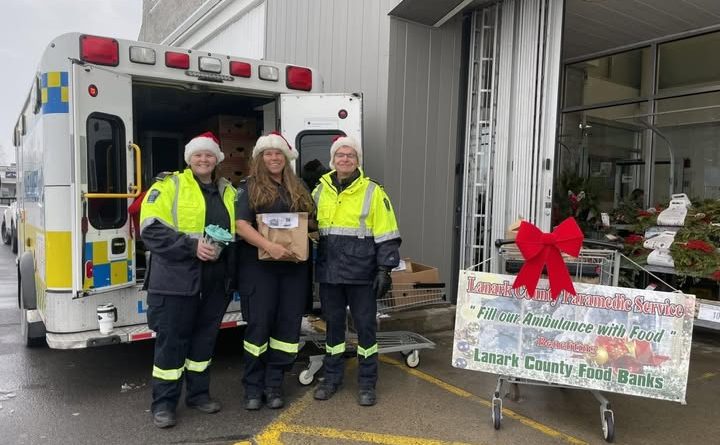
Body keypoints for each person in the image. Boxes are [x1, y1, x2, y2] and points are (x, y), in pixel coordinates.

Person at [140, 131, 236, 428]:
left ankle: (198, 394)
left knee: (204, 342)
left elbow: (235, 235)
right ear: (189, 158)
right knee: (172, 344)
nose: (204, 159)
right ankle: (164, 404)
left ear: (217, 159)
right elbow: (151, 229)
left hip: (214, 282)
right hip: (176, 280)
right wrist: (192, 247)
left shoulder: (228, 190)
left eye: (209, 155)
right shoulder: (169, 185)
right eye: (198, 154)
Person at [312, 136, 401, 406]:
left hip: (362, 274)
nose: (345, 159)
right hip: (330, 274)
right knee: (333, 331)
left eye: (350, 155)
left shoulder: (374, 192)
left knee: (366, 331)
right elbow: (307, 227)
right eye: (340, 155)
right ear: (333, 160)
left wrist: (385, 268)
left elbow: (387, 233)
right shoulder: (319, 191)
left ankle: (366, 384)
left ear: (358, 160)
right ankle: (331, 379)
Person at [235, 131, 315, 410]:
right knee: (259, 327)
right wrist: (270, 246)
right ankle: (253, 389)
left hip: (293, 269)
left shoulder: (298, 185)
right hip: (260, 270)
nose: (273, 158)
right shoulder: (248, 186)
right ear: (259, 157)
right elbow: (241, 225)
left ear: (286, 157)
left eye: (278, 153)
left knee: (287, 327)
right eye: (268, 153)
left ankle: (275, 384)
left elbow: (311, 220)